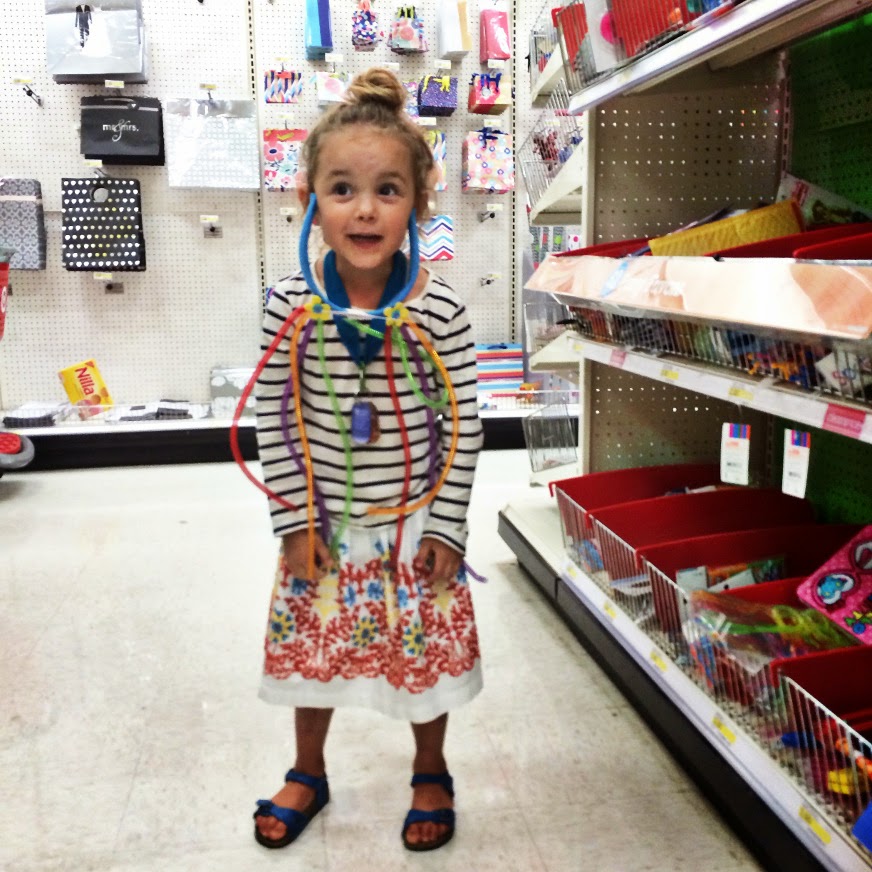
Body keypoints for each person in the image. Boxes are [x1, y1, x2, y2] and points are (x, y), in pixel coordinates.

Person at [252, 67, 484, 853]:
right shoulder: (289, 305)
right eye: (342, 189)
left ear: (418, 204)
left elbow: (464, 425)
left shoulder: (440, 309)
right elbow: (274, 418)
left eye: (388, 190)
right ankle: (308, 770)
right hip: (322, 521)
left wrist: (446, 528)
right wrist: (293, 522)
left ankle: (430, 771)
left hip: (413, 521)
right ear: (308, 199)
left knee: (424, 656)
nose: (364, 209)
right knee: (311, 651)